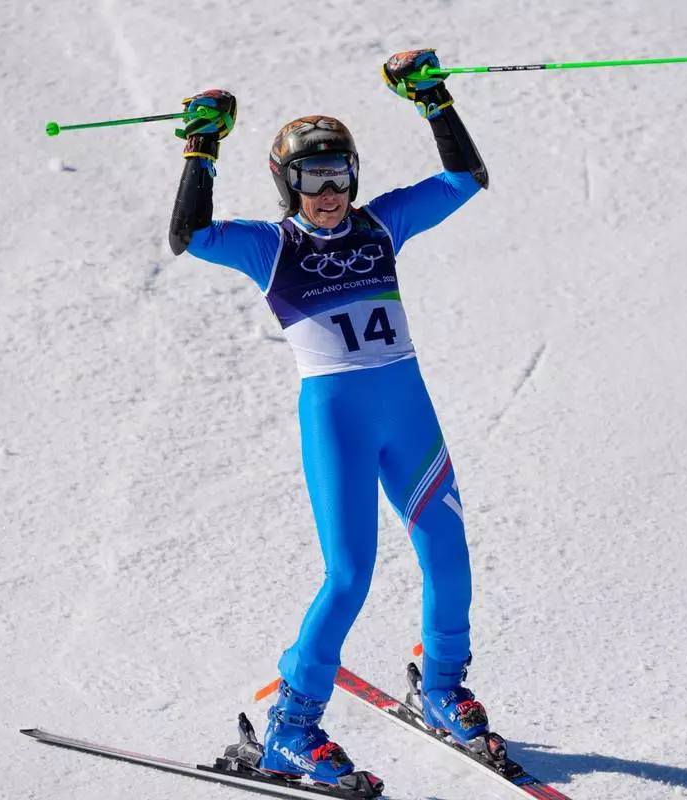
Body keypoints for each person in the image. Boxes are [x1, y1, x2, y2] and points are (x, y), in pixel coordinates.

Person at [168, 49, 490, 787]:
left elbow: (463, 180)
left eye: (339, 174)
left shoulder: (381, 227)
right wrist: (201, 147)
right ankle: (290, 725)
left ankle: (442, 688)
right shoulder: (271, 247)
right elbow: (190, 235)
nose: (329, 191)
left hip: (408, 413)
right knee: (349, 577)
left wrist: (434, 101)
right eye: (313, 178)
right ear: (288, 184)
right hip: (338, 420)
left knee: (449, 550)